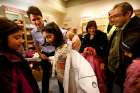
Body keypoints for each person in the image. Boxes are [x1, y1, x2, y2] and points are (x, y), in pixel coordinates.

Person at [107, 2, 140, 93]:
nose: (112, 20)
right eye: (111, 17)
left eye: (116, 16)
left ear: (128, 14)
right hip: (114, 71)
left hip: (127, 75)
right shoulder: (119, 28)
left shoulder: (136, 27)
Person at [0, 17, 40, 93]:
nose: (22, 41)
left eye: (21, 36)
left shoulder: (13, 54)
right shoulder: (3, 63)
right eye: (17, 37)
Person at [27, 6, 54, 93]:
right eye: (33, 20)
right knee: (45, 75)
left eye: (38, 18)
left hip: (55, 52)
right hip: (44, 53)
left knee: (60, 74)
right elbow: (36, 44)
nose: (37, 22)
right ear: (30, 20)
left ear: (42, 17)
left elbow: (62, 35)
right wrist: (40, 54)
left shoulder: (51, 26)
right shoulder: (33, 32)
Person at [42, 22, 67, 93]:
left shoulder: (65, 48)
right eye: (45, 38)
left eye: (49, 36)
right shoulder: (58, 47)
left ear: (57, 34)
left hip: (66, 79)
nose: (47, 40)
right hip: (61, 77)